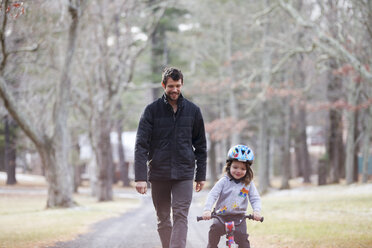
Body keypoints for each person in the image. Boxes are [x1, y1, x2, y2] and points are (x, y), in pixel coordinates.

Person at [134, 67, 207, 248]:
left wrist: (200, 175)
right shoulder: (151, 111)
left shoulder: (193, 111)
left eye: (178, 86)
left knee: (181, 214)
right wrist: (140, 177)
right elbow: (141, 145)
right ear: (163, 85)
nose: (175, 90)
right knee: (163, 219)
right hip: (159, 173)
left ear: (182, 85)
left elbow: (201, 146)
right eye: (171, 86)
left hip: (184, 172)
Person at [202, 144, 262, 248]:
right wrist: (207, 209)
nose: (238, 171)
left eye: (243, 168)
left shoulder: (248, 183)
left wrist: (256, 211)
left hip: (239, 218)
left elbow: (255, 198)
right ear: (229, 166)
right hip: (221, 216)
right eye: (235, 167)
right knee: (214, 232)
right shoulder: (223, 181)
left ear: (247, 170)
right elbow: (212, 195)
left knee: (243, 241)